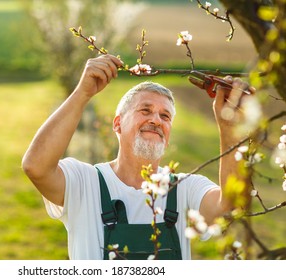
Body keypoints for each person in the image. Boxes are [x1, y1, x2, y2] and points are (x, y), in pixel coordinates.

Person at [22, 54, 252, 260]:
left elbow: (229, 208)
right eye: (145, 110)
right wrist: (83, 93)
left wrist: (229, 127)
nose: (156, 120)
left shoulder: (184, 188)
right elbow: (36, 166)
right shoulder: (85, 182)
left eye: (165, 116)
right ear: (118, 124)